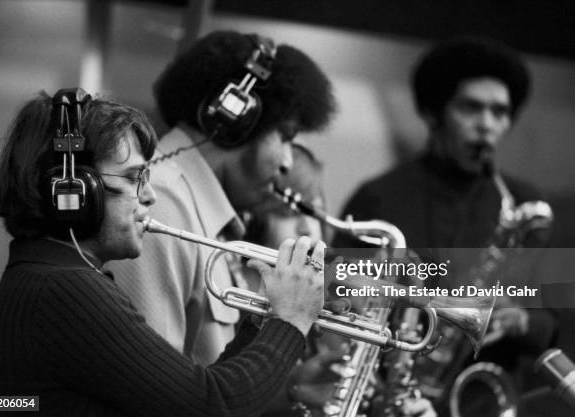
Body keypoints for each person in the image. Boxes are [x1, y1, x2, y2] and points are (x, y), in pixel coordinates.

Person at [0, 89, 326, 417]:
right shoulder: (66, 289)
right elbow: (214, 404)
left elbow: (201, 394)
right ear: (74, 192)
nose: (150, 196)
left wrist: (264, 320)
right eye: (133, 179)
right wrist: (291, 320)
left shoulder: (51, 274)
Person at [333, 37, 555, 409]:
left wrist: (521, 320)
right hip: (382, 398)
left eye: (500, 112)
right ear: (435, 112)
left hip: (479, 401)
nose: (487, 126)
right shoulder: (378, 197)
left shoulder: (525, 207)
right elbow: (336, 294)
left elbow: (555, 319)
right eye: (471, 108)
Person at [106, 30, 336, 366]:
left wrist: (288, 393)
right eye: (284, 137)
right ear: (236, 120)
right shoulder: (162, 205)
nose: (288, 161)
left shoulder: (199, 211)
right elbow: (156, 390)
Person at [246, 143, 437, 417]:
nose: (305, 227)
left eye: (314, 211)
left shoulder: (334, 303)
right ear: (254, 220)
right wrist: (290, 393)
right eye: (287, 214)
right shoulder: (241, 295)